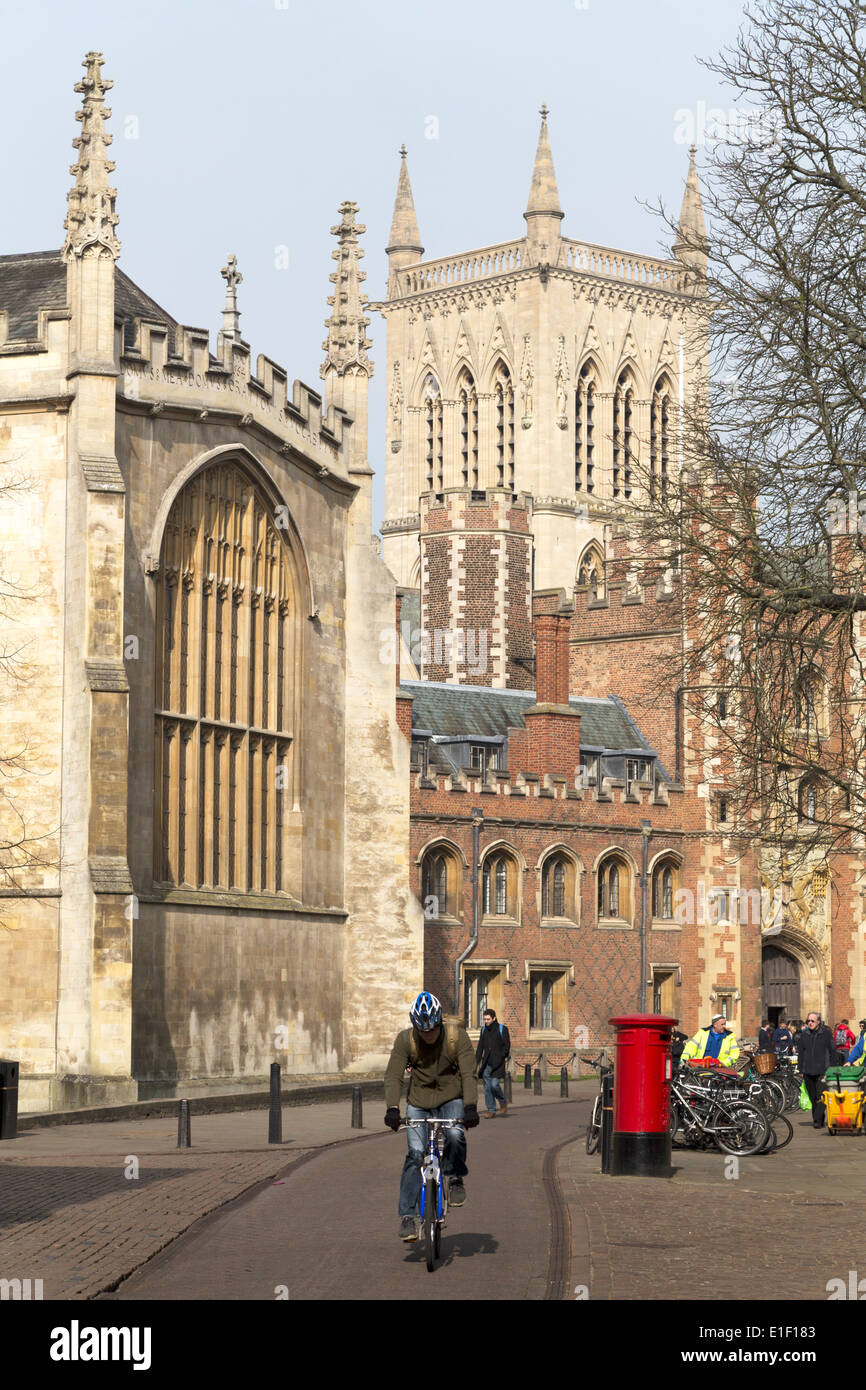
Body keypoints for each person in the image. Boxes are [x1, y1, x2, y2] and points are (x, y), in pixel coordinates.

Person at [384, 990, 479, 1242]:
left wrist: (470, 1106)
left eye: (432, 1030)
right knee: (415, 1155)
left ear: (439, 1023)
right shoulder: (406, 1040)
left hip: (451, 1096)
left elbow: (469, 1074)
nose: (427, 1036)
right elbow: (393, 1075)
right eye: (422, 1031)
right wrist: (392, 1108)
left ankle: (455, 1177)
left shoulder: (456, 1038)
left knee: (454, 1134)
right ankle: (407, 1217)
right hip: (418, 1100)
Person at [797, 1011, 834, 1128]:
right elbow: (801, 1053)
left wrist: (832, 1068)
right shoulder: (804, 1035)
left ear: (818, 1022)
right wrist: (800, 1069)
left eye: (813, 1021)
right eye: (808, 1021)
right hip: (808, 1070)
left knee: (821, 1096)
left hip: (822, 1070)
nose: (810, 1023)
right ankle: (819, 1118)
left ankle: (817, 1120)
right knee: (813, 1098)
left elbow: (833, 1051)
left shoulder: (826, 1034)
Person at [475, 1008, 510, 1117]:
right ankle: (491, 1110)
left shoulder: (502, 1029)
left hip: (498, 1063)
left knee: (494, 1085)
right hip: (487, 1063)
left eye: (488, 1019)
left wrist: (502, 1056)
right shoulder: (483, 1030)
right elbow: (480, 1047)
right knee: (487, 1087)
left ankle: (503, 1102)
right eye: (484, 1019)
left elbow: (506, 1045)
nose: (486, 1021)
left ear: (494, 1018)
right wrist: (475, 1062)